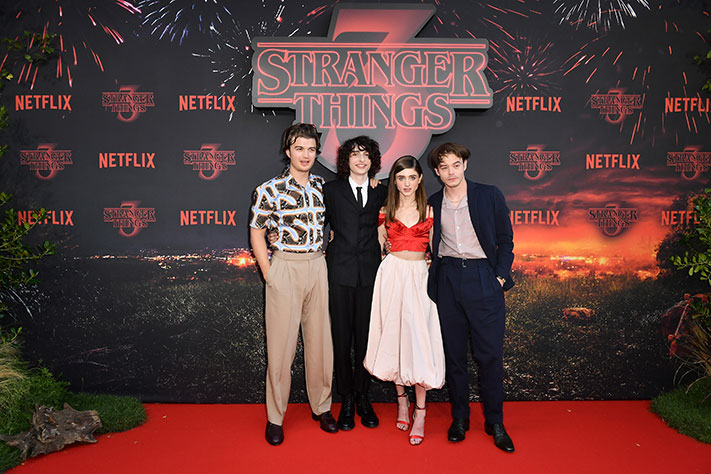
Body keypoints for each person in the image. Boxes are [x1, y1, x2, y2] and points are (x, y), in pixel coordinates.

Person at [249, 123, 337, 446]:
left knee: (321, 344)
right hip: (285, 267)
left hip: (317, 265)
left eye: (311, 149)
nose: (306, 155)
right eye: (299, 148)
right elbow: (257, 231)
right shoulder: (269, 189)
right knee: (281, 348)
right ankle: (275, 417)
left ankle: (322, 407)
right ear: (288, 151)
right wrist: (269, 272)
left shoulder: (322, 186)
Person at [426, 142, 516, 452]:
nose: (451, 172)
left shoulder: (489, 195)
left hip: (483, 278)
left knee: (489, 356)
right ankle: (460, 418)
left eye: (456, 165)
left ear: (465, 164)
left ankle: (495, 421)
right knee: (454, 356)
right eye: (444, 167)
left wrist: (499, 277)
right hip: (449, 279)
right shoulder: (433, 203)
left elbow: (506, 241)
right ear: (437, 172)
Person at [363, 155, 445, 446]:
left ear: (420, 179)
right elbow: (378, 247)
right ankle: (401, 401)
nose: (407, 183)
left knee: (418, 342)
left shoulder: (431, 211)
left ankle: (420, 411)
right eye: (401, 178)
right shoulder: (385, 211)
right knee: (395, 338)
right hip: (391, 277)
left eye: (412, 177)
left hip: (420, 278)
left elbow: (438, 250)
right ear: (394, 181)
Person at [323, 136, 387, 431]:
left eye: (366, 155)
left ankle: (363, 396)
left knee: (365, 338)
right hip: (339, 274)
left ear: (373, 161)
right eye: (355, 154)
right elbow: (315, 223)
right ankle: (346, 398)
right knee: (341, 339)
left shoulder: (381, 191)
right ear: (345, 160)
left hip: (371, 274)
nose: (361, 160)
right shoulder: (330, 190)